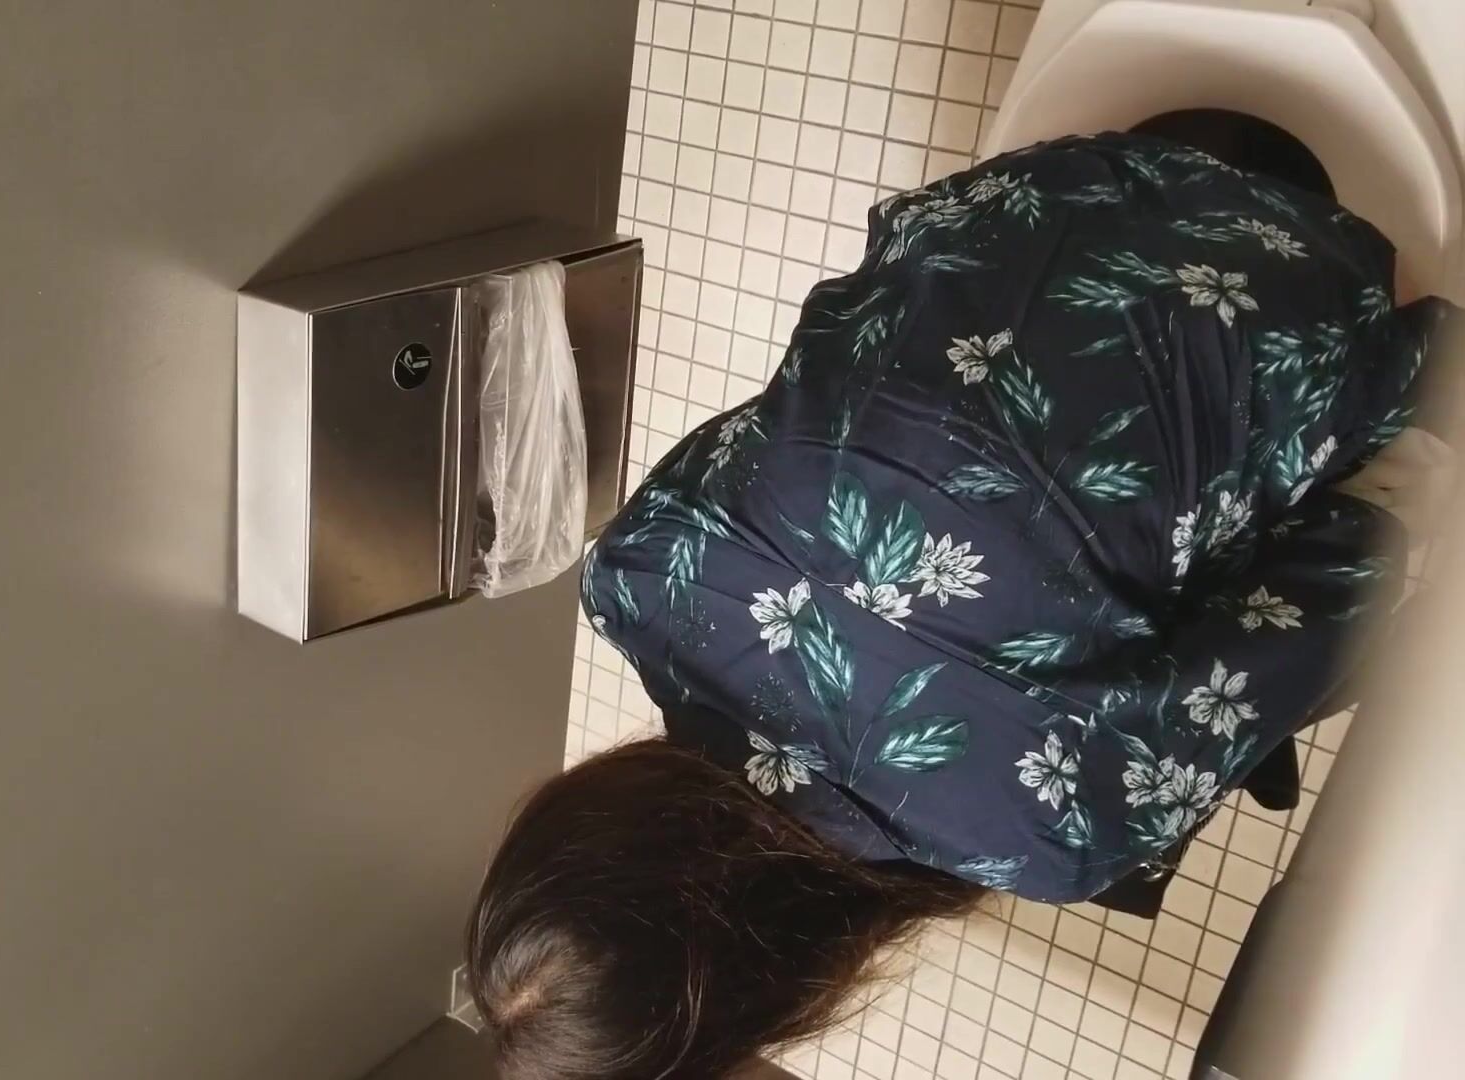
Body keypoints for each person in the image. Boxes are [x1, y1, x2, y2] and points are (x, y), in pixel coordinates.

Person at [465, 131, 1458, 1080]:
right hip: (1028, 194)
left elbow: (1334, 591)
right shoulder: (635, 572)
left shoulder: (1045, 832)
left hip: (1291, 279)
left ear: (763, 989)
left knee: (1362, 558)